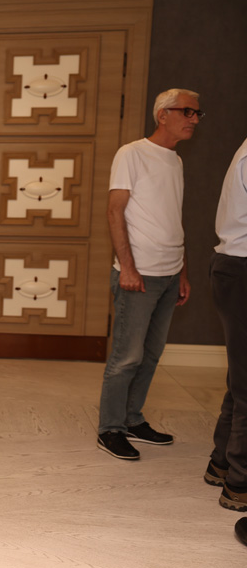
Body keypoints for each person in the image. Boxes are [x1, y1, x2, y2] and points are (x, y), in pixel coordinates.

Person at [96, 89, 201, 460]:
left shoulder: (175, 160)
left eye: (197, 113)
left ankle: (132, 419)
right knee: (126, 357)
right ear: (162, 115)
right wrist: (127, 267)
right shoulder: (131, 153)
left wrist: (182, 272)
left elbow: (173, 219)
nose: (194, 119)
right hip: (138, 275)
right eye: (187, 111)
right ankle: (110, 429)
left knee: (152, 354)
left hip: (170, 275)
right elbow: (115, 211)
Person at [206, 136, 247, 513]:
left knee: (241, 377)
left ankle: (222, 463)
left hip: (234, 269)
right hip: (241, 270)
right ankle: (240, 482)